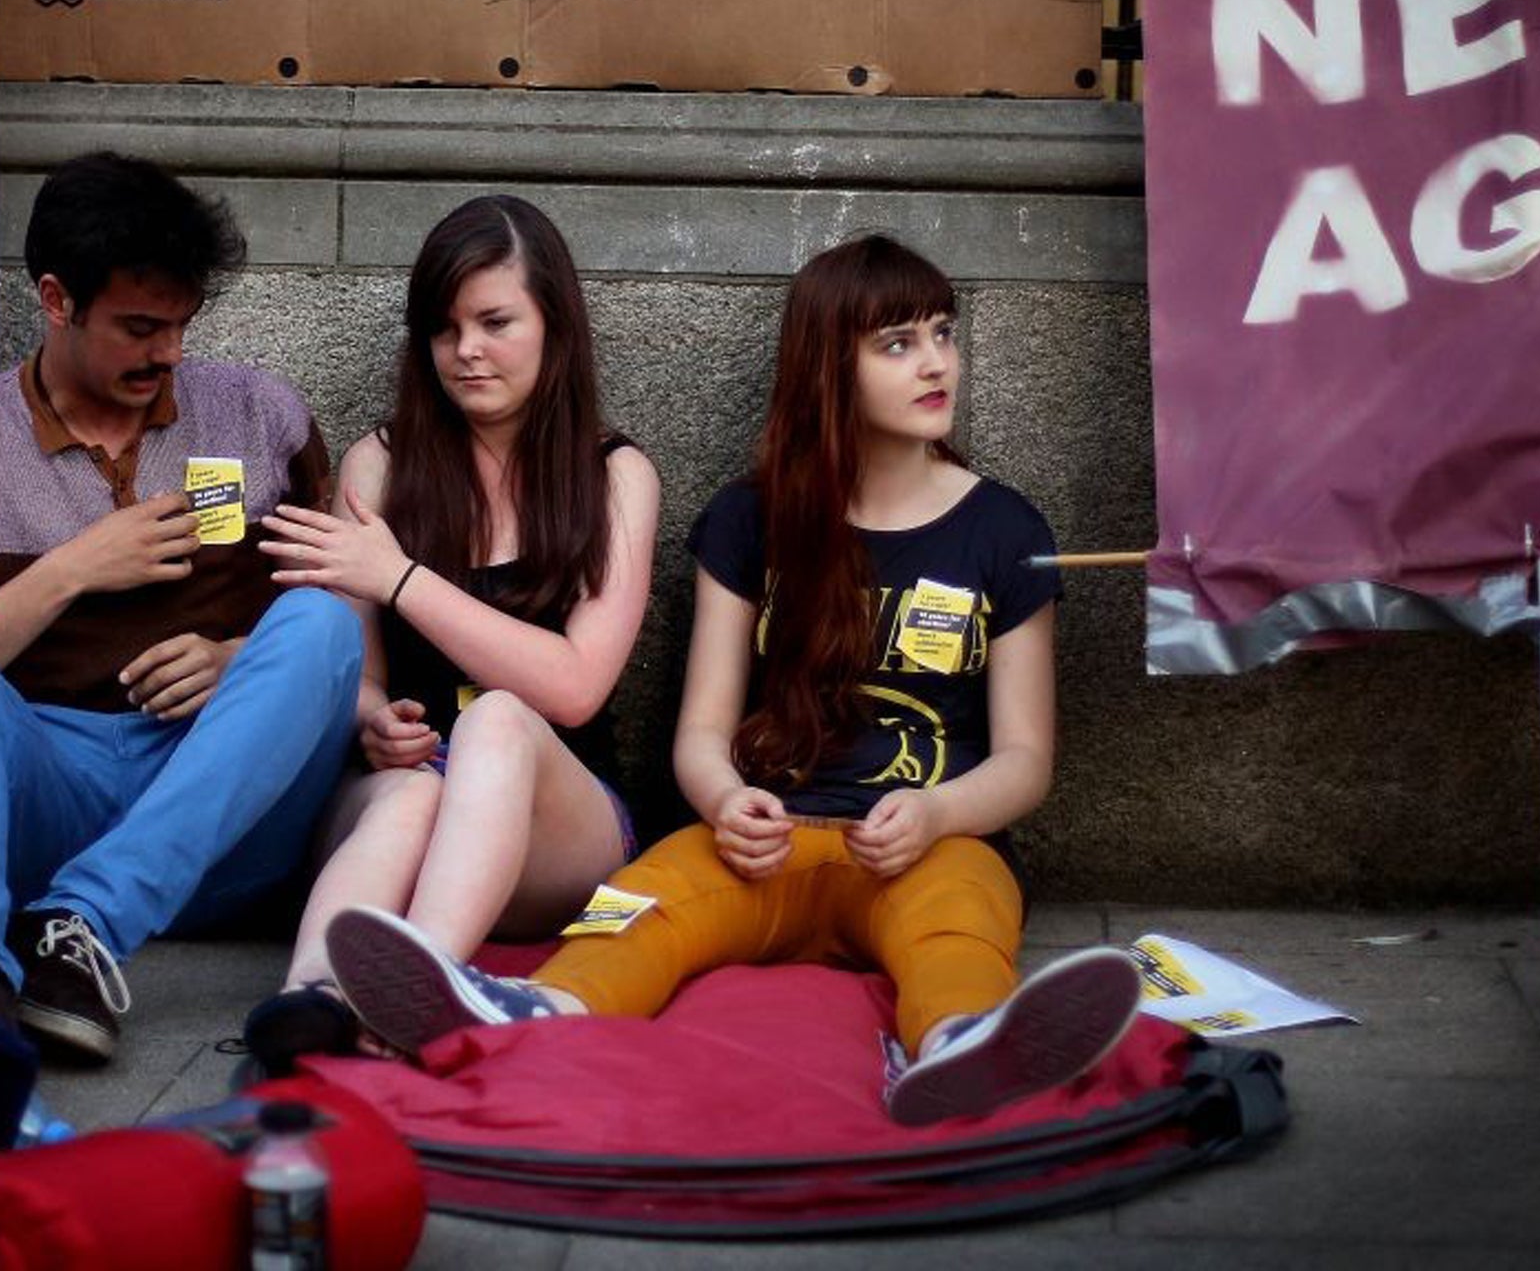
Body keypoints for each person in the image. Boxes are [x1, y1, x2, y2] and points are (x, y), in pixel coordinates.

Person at [326, 233, 1139, 1127]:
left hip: (927, 844)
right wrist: (722, 802)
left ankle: (957, 1043)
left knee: (961, 921)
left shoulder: (1004, 529)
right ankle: (534, 1010)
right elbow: (702, 732)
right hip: (763, 841)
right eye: (898, 343)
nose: (936, 363)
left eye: (943, 334)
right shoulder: (748, 521)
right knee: (645, 906)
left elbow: (1027, 759)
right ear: (829, 365)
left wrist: (941, 813)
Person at [0, 152, 362, 1064]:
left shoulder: (260, 416)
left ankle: (87, 927)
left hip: (226, 823)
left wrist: (237, 658)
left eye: (180, 324)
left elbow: (337, 630)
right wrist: (71, 570)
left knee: (321, 623)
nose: (166, 352)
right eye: (138, 327)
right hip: (51, 801)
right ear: (56, 300)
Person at [239, 195, 659, 1076]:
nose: (465, 351)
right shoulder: (379, 465)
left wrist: (400, 578)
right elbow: (355, 671)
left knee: (501, 719)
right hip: (408, 803)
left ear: (556, 324)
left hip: (560, 831)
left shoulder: (616, 476)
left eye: (495, 322)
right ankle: (312, 998)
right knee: (410, 793)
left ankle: (414, 981)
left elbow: (577, 687)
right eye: (444, 328)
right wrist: (370, 719)